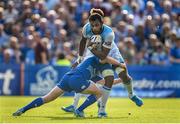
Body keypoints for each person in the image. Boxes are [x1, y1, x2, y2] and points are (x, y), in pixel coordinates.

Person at [62, 8, 143, 117]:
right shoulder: (86, 28)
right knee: (101, 78)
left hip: (110, 53)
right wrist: (80, 57)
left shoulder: (109, 33)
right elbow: (83, 41)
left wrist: (91, 48)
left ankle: (131, 95)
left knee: (124, 76)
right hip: (95, 54)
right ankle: (100, 110)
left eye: (96, 25)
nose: (94, 28)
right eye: (92, 25)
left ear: (102, 22)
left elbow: (104, 55)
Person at [12, 55, 122, 118]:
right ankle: (79, 110)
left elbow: (105, 82)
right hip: (77, 79)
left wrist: (121, 80)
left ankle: (23, 109)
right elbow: (105, 58)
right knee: (99, 93)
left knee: (47, 98)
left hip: (67, 77)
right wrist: (120, 64)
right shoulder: (95, 59)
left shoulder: (93, 71)